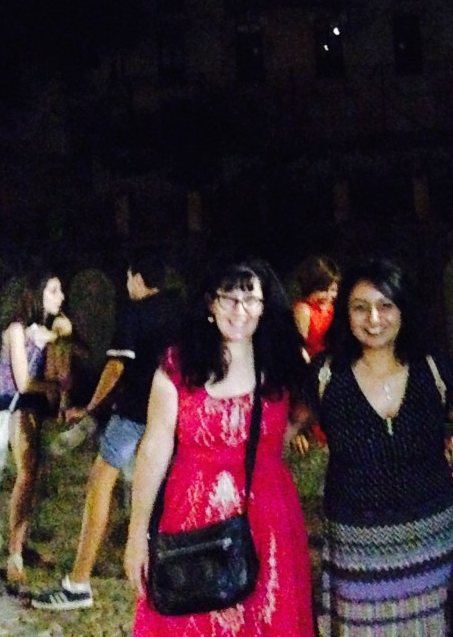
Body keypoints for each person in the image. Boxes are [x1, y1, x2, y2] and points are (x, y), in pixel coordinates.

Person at [124, 257, 313, 637]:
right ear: (211, 302)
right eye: (229, 298)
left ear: (264, 306)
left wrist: (267, 452)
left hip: (268, 520)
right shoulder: (179, 365)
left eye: (250, 299)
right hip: (191, 516)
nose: (239, 310)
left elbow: (302, 412)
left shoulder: (281, 364)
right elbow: (155, 448)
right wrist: (137, 536)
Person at [32, 247, 183, 611]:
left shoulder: (135, 312)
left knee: (100, 481)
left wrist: (90, 407)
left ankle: (79, 582)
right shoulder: (181, 309)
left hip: (133, 414)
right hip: (174, 416)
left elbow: (115, 367)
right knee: (168, 493)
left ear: (138, 279)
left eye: (128, 278)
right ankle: (169, 580)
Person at [313, 256, 453, 637]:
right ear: (345, 313)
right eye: (360, 307)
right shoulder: (326, 375)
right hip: (357, 544)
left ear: (403, 309)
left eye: (385, 305)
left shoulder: (435, 369)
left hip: (429, 539)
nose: (373, 319)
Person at [0, 271, 72, 587]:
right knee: (25, 476)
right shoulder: (16, 329)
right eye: (53, 290)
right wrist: (51, 387)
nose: (61, 297)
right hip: (16, 405)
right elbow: (23, 381)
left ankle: (21, 544)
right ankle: (14, 554)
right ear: (36, 293)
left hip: (33, 406)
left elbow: (63, 361)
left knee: (32, 478)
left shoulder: (42, 330)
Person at [291, 253, 340, 361]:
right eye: (323, 290)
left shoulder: (332, 309)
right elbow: (298, 348)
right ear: (310, 287)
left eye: (333, 290)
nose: (329, 296)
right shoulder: (303, 310)